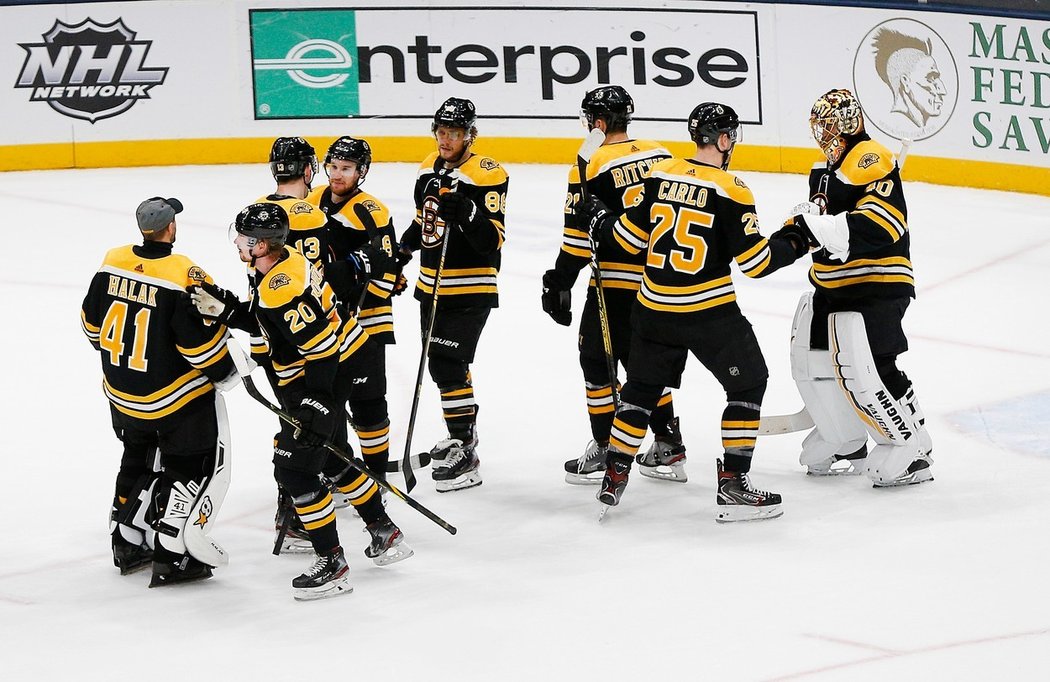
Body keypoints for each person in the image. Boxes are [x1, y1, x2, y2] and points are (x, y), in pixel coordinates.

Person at [577, 103, 809, 521]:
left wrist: (598, 217)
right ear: (722, 140)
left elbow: (627, 240)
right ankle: (734, 484)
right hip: (708, 315)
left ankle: (615, 473)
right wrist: (796, 237)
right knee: (749, 383)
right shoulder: (732, 189)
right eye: (731, 137)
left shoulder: (659, 175)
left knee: (640, 391)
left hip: (652, 311)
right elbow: (756, 263)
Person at [189, 203, 411, 600]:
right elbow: (265, 318)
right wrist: (226, 308)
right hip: (320, 371)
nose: (238, 242)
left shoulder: (283, 287)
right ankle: (383, 531)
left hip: (317, 378)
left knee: (295, 471)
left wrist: (317, 405)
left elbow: (322, 349)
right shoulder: (280, 262)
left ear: (264, 245)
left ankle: (333, 563)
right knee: (334, 457)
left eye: (245, 238)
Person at [81, 196, 237, 586]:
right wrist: (227, 370)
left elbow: (92, 327)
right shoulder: (183, 272)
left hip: (121, 395)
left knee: (136, 457)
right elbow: (197, 345)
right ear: (171, 229)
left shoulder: (112, 260)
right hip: (171, 400)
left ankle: (126, 541)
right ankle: (173, 555)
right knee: (189, 463)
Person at [785, 88, 933, 487]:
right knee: (818, 361)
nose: (823, 133)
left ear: (848, 125)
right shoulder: (823, 168)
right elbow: (820, 220)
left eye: (830, 125)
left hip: (877, 283)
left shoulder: (871, 159)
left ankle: (913, 446)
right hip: (834, 286)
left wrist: (827, 227)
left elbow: (884, 225)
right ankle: (844, 438)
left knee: (875, 364)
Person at [541, 85, 688, 486]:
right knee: (646, 368)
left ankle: (607, 446)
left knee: (596, 364)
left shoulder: (589, 163)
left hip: (614, 285)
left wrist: (560, 280)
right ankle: (668, 443)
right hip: (660, 281)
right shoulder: (661, 153)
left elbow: (577, 238)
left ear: (599, 122)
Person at [260, 136, 397, 554]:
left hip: (288, 343)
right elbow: (321, 278)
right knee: (321, 432)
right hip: (326, 338)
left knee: (309, 429)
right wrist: (359, 264)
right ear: (311, 169)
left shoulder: (258, 214)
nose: (336, 174)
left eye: (346, 167)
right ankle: (367, 509)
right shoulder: (311, 213)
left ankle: (307, 504)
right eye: (330, 166)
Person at [398, 97, 509, 493]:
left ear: (470, 134)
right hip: (431, 286)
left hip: (470, 287)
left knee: (448, 360)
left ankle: (467, 449)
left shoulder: (487, 173)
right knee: (442, 366)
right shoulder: (428, 166)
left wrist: (468, 213)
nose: (446, 140)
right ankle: (462, 436)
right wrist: (402, 250)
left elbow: (491, 242)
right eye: (441, 132)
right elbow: (422, 221)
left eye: (454, 133)